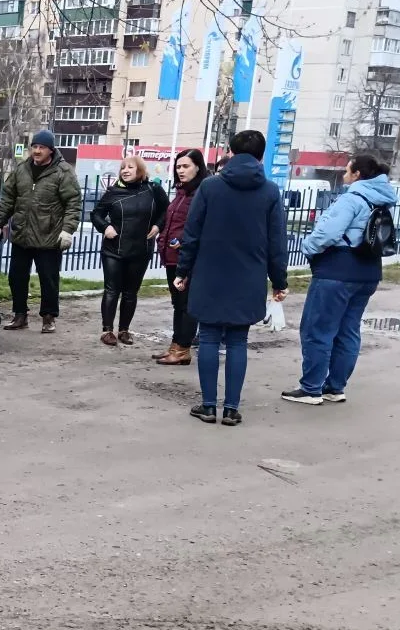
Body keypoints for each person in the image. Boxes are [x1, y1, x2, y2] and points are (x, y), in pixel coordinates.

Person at [174, 129, 289, 427]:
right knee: (238, 341)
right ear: (261, 156)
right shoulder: (270, 191)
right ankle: (231, 409)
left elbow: (192, 233)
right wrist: (279, 281)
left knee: (209, 337)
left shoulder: (210, 187)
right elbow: (277, 241)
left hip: (209, 274)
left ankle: (208, 406)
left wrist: (183, 270)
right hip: (249, 277)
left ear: (231, 152)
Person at [281, 153, 395, 405]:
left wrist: (308, 247)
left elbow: (328, 233)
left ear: (357, 174)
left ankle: (311, 388)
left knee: (318, 329)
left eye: (347, 170)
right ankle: (335, 387)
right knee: (348, 330)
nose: (344, 175)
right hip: (368, 271)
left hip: (337, 271)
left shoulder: (352, 199)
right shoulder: (383, 201)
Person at [0, 129, 82, 333]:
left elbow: (73, 202)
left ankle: (49, 317)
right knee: (17, 277)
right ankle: (20, 315)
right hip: (22, 234)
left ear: (50, 150)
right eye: (34, 146)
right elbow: (8, 198)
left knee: (48, 279)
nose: (37, 151)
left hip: (49, 236)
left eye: (41, 147)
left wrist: (67, 230)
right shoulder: (21, 169)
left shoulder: (63, 171)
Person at [91, 154, 169, 346]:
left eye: (130, 167)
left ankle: (124, 330)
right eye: (123, 168)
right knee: (112, 290)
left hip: (141, 249)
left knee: (130, 292)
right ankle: (107, 331)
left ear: (140, 170)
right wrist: (105, 227)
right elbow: (96, 214)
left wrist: (158, 225)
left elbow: (167, 211)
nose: (125, 171)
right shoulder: (113, 192)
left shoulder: (153, 189)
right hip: (113, 249)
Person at [154, 149, 209, 365]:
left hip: (188, 258)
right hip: (171, 256)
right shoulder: (181, 192)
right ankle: (175, 346)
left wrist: (183, 242)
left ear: (198, 167)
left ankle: (183, 349)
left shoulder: (201, 193)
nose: (181, 171)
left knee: (186, 305)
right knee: (178, 303)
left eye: (186, 166)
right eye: (178, 167)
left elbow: (199, 227)